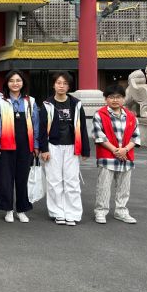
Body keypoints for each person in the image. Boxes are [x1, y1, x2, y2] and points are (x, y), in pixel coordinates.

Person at [39, 72, 90, 226]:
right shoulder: (47, 104)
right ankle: (57, 212)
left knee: (72, 180)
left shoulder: (76, 104)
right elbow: (42, 129)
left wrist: (85, 149)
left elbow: (82, 127)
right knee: (54, 181)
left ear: (69, 86)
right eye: (58, 83)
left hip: (72, 146)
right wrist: (44, 149)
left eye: (65, 83)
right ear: (53, 85)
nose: (61, 86)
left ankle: (72, 213)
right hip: (53, 146)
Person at [0, 70, 40, 224]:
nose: (15, 83)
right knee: (5, 179)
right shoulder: (0, 102)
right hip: (5, 146)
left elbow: (36, 125)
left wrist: (36, 144)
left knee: (22, 178)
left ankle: (22, 209)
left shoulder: (30, 101)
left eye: (18, 80)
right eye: (11, 81)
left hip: (25, 145)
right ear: (7, 84)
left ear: (23, 83)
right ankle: (8, 210)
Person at [92, 84, 141, 225]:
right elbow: (99, 136)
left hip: (126, 156)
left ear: (123, 99)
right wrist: (116, 150)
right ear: (105, 99)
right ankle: (101, 211)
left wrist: (125, 150)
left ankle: (121, 211)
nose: (115, 100)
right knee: (103, 186)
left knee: (124, 187)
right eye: (111, 97)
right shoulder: (100, 114)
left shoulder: (131, 116)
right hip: (107, 156)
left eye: (118, 97)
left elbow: (136, 137)